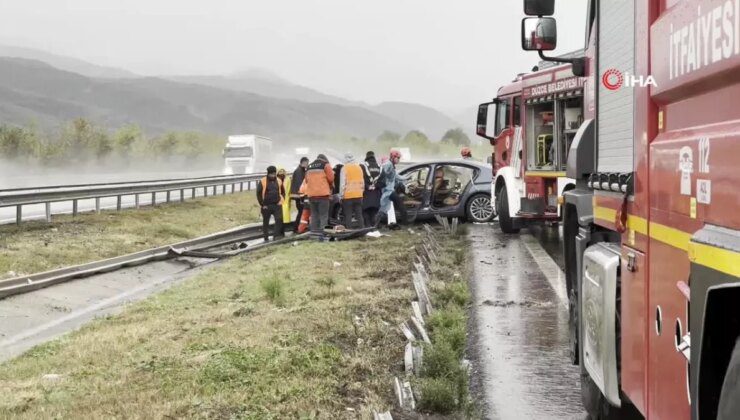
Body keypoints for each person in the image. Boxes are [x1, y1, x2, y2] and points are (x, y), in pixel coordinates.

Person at [304, 154, 334, 235]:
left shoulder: (309, 166)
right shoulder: (325, 165)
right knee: (323, 215)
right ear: (325, 159)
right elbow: (331, 179)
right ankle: (323, 234)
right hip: (323, 195)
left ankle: (314, 233)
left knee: (314, 215)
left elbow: (306, 180)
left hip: (311, 195)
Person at [256, 166, 285, 241]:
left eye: (274, 174)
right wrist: (262, 204)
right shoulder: (263, 181)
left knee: (279, 219)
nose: (273, 175)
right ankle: (266, 238)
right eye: (271, 174)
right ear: (268, 174)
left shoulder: (279, 180)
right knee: (266, 222)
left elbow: (282, 192)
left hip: (277, 205)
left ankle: (275, 236)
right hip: (266, 206)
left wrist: (281, 201)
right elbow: (258, 194)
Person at [379, 149, 407, 226]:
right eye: (398, 158)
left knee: (384, 208)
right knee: (400, 205)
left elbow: (396, 176)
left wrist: (407, 177)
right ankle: (406, 223)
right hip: (388, 191)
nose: (399, 160)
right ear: (393, 157)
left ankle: (376, 224)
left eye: (399, 158)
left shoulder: (391, 165)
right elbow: (382, 175)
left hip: (388, 190)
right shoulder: (388, 164)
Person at [338, 153, 366, 229]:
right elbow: (362, 182)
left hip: (348, 196)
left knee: (348, 215)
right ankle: (362, 229)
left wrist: (341, 196)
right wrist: (361, 192)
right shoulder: (359, 167)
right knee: (359, 215)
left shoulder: (344, 168)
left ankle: (349, 231)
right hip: (358, 195)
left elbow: (342, 184)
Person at [361, 151, 385, 227]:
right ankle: (374, 227)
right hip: (376, 194)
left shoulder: (362, 166)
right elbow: (384, 182)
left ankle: (367, 228)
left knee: (365, 212)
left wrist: (368, 186)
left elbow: (360, 180)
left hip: (366, 194)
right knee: (374, 212)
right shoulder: (380, 167)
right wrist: (376, 186)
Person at [289, 157, 309, 232]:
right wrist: (302, 198)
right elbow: (300, 185)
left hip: (299, 196)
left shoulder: (301, 170)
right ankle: (296, 228)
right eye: (307, 163)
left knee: (301, 212)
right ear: (303, 162)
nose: (308, 165)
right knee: (301, 212)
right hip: (299, 197)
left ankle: (298, 228)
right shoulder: (299, 172)